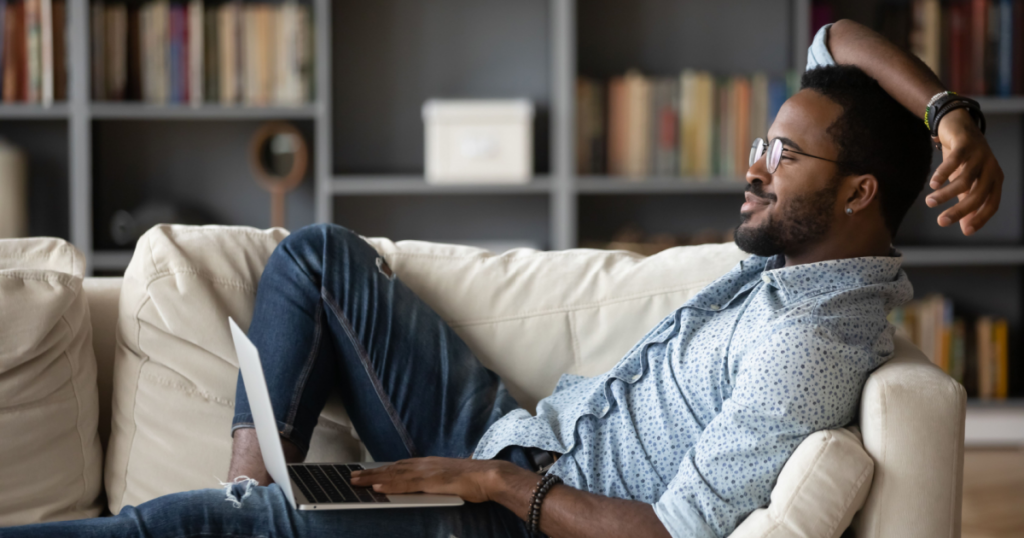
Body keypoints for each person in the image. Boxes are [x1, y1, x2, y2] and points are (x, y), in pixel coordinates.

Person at [0, 19, 1003, 538]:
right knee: (316, 258)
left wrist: (487, 479)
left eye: (782, 155)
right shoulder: (819, 259)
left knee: (206, 529)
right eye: (761, 143)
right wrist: (950, 111)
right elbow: (834, 46)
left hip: (514, 516)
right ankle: (260, 490)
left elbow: (672, 534)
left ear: (862, 190)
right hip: (519, 440)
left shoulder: (809, 347)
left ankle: (253, 516)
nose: (751, 166)